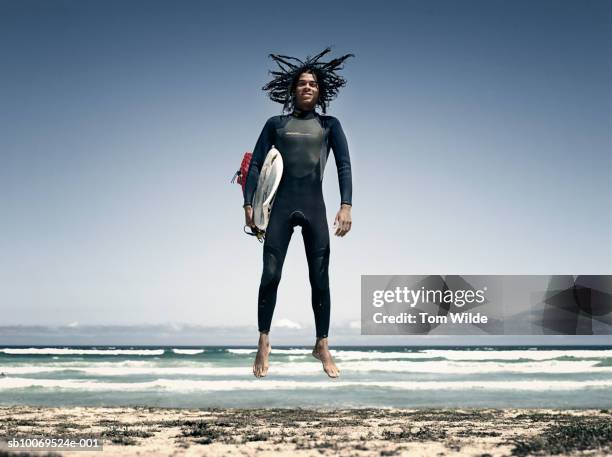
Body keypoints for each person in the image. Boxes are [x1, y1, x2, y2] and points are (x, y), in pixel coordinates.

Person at [243, 48, 354, 378]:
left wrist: (346, 205)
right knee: (271, 275)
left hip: (314, 207)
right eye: (302, 83)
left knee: (319, 279)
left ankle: (322, 344)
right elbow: (257, 166)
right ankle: (263, 341)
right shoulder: (275, 124)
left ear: (320, 91)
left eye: (313, 84)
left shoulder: (329, 125)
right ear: (292, 89)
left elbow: (344, 166)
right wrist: (249, 205)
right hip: (280, 209)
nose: (307, 87)